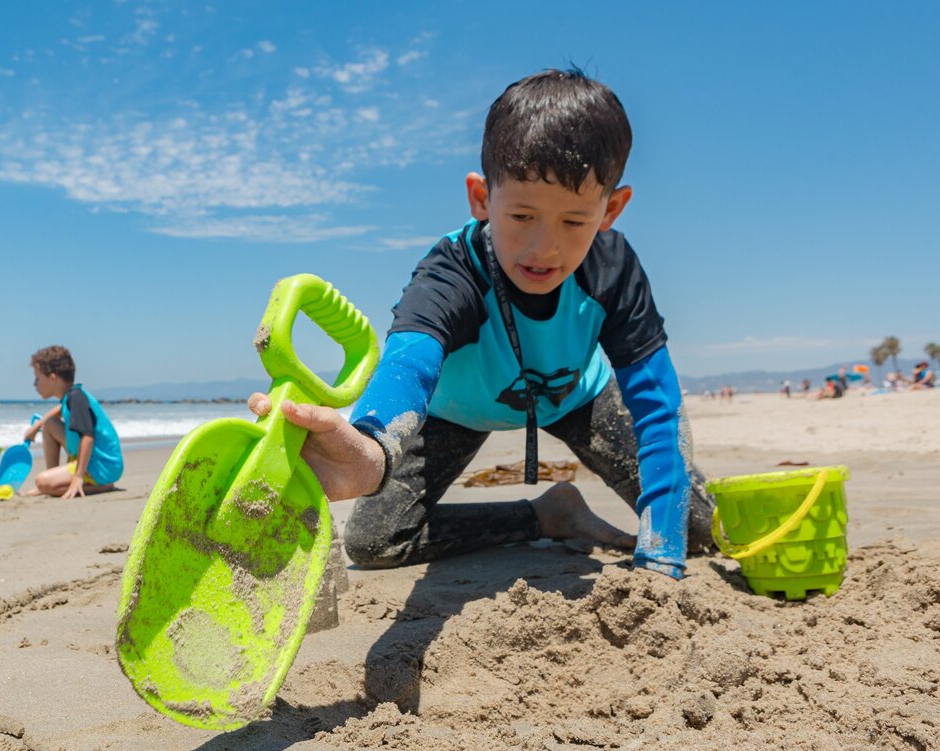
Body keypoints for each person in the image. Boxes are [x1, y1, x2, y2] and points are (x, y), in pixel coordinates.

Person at [249, 68, 714, 580]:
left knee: (692, 528)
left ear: (612, 209)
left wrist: (660, 560)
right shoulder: (453, 269)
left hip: (576, 398)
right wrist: (372, 448)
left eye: (574, 222)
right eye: (521, 217)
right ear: (481, 199)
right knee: (374, 542)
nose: (544, 248)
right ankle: (546, 515)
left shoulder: (613, 269)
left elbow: (656, 405)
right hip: (458, 411)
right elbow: (411, 357)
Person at [24, 345, 122, 498]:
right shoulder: (71, 396)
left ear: (52, 377)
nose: (34, 384)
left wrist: (78, 477)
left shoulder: (77, 398)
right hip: (95, 461)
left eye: (38, 378)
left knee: (42, 481)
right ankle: (53, 477)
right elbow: (59, 409)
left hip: (102, 465)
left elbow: (88, 437)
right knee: (50, 424)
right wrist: (37, 426)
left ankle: (102, 486)